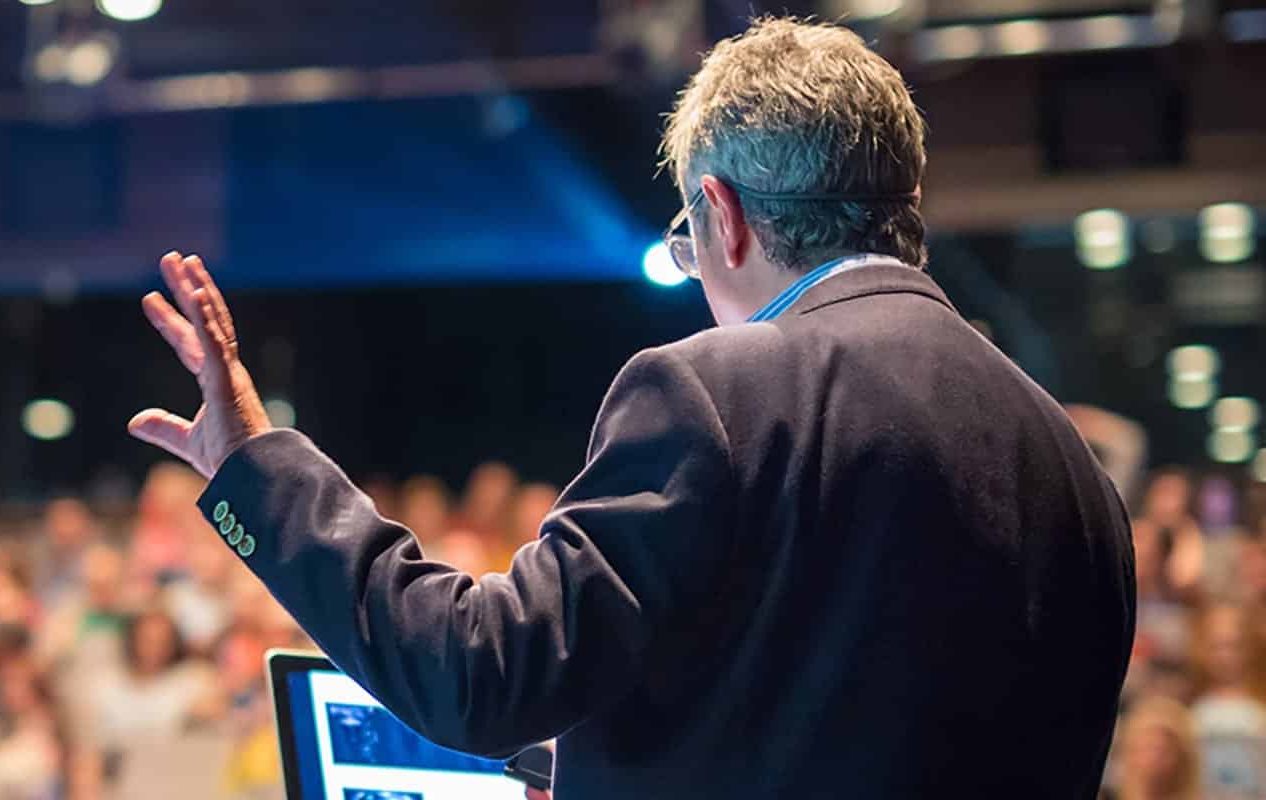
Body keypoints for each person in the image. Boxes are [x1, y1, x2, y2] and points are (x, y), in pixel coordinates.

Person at [125, 18, 1134, 798]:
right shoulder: (1072, 466)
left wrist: (255, 467)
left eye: (690, 244)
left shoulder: (722, 387)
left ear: (723, 216)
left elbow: (482, 674)